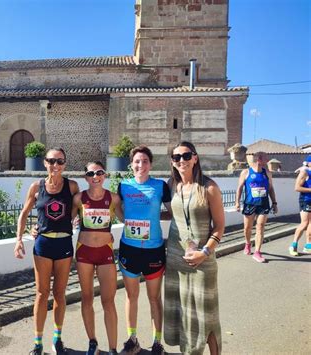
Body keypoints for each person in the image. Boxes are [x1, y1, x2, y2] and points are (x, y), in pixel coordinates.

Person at [14, 147, 79, 355]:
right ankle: (38, 343)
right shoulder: (36, 187)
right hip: (43, 245)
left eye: (60, 161)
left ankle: (57, 338)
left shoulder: (72, 186)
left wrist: (78, 219)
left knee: (59, 294)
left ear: (65, 164)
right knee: (42, 294)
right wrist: (19, 239)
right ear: (45, 163)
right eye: (52, 161)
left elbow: (82, 208)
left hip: (64, 245)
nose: (56, 165)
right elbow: (24, 214)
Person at [164, 141, 225, 355]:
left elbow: (219, 226)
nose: (182, 160)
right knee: (184, 313)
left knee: (206, 315)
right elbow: (174, 216)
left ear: (195, 158)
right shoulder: (171, 185)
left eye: (186, 156)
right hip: (176, 259)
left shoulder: (209, 187)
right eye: (176, 157)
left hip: (202, 261)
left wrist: (204, 252)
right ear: (172, 161)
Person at [117, 145, 172, 355]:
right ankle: (132, 339)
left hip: (153, 251)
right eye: (137, 162)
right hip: (129, 249)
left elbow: (171, 211)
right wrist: (126, 221)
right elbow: (116, 207)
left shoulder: (159, 186)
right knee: (131, 296)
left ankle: (157, 343)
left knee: (154, 298)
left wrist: (153, 220)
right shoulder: (123, 186)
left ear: (151, 164)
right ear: (131, 165)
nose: (141, 165)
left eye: (145, 161)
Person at [71, 161, 124, 355]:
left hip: (105, 253)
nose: (95, 176)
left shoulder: (114, 199)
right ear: (86, 178)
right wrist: (37, 229)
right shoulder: (78, 198)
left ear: (105, 175)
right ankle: (92, 342)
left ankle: (112, 348)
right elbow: (64, 220)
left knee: (108, 302)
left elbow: (127, 219)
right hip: (84, 252)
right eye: (91, 173)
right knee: (87, 299)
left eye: (99, 172)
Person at [235, 151, 278, 263]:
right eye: (265, 158)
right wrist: (237, 202)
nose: (267, 161)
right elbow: (239, 188)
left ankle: (257, 252)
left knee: (260, 226)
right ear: (259, 159)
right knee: (247, 228)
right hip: (250, 203)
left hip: (263, 204)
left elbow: (271, 189)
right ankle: (248, 243)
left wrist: (274, 203)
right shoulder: (246, 172)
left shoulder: (267, 173)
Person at [289, 155, 311, 255]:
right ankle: (293, 245)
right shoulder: (305, 172)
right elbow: (297, 187)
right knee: (304, 223)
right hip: (305, 200)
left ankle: (308, 245)